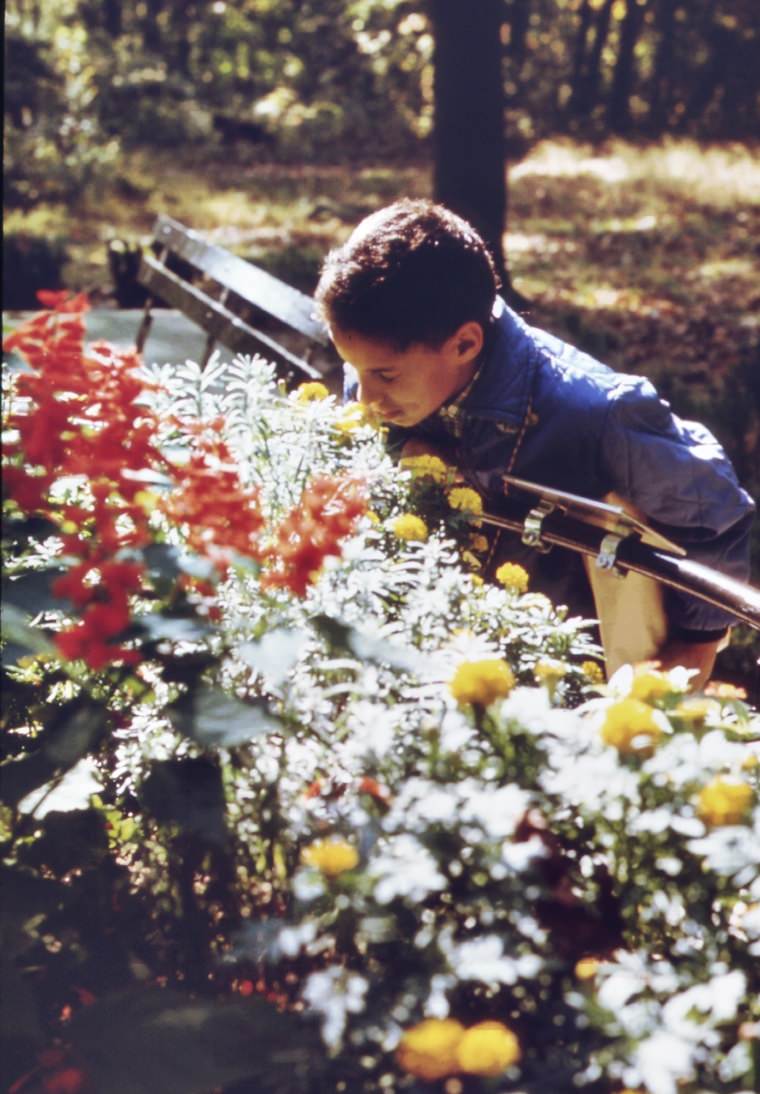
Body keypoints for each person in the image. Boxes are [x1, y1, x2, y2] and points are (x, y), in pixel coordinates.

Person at [314, 199, 755, 687]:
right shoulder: (396, 372)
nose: (364, 396)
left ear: (465, 345)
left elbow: (715, 513)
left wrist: (696, 641)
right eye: (353, 370)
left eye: (384, 376)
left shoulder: (594, 413)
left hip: (578, 667)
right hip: (458, 642)